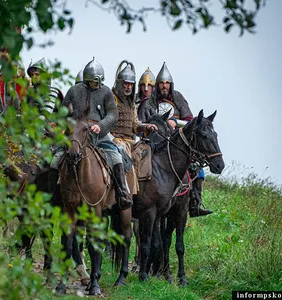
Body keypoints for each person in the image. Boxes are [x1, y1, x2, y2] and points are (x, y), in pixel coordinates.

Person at [49, 57, 132, 210]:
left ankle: (122, 192)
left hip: (98, 133)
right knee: (56, 158)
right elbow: (63, 112)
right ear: (87, 80)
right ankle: (53, 194)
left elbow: (113, 114)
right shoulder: (74, 91)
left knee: (116, 155)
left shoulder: (106, 92)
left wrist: (101, 125)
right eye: (94, 82)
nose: (97, 85)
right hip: (76, 132)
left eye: (99, 81)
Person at [138, 62, 212, 217]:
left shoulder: (178, 97)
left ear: (170, 84)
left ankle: (195, 202)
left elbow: (191, 121)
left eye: (166, 83)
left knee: (196, 168)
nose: (164, 86)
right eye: (161, 83)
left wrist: (175, 122)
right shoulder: (149, 101)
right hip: (155, 142)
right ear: (157, 85)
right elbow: (141, 122)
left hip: (177, 144)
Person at [110, 61, 157, 196]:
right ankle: (123, 189)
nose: (128, 86)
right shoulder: (112, 98)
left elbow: (135, 124)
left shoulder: (131, 103)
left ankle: (141, 188)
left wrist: (146, 126)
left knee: (146, 149)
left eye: (130, 84)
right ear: (119, 83)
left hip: (130, 140)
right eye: (125, 83)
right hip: (115, 140)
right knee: (123, 151)